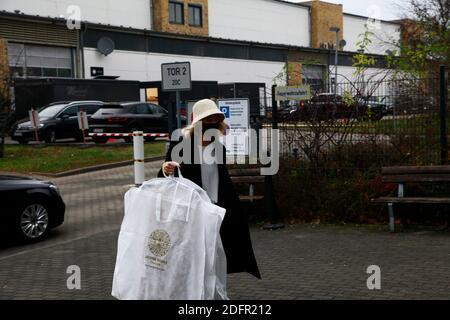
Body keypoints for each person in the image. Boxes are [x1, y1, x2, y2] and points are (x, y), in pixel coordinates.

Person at [158, 99, 261, 279]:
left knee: (216, 252)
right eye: (208, 119)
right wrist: (166, 168)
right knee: (193, 253)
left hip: (215, 207)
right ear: (198, 122)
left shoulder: (218, 148)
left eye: (215, 120)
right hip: (191, 210)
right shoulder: (181, 144)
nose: (212, 123)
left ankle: (213, 290)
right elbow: (165, 173)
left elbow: (222, 178)